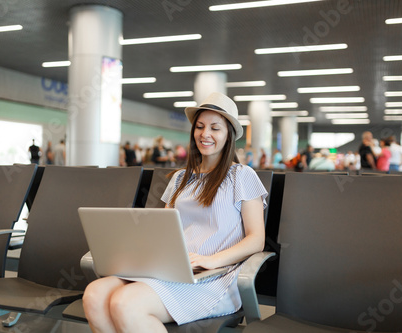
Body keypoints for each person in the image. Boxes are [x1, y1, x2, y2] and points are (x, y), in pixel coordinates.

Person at [82, 92, 268, 332]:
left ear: (228, 135)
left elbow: (256, 239)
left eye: (215, 128)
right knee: (94, 295)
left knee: (125, 303)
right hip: (171, 269)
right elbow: (164, 230)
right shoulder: (180, 178)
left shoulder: (242, 176)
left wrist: (211, 260)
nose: (205, 134)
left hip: (214, 277)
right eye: (199, 127)